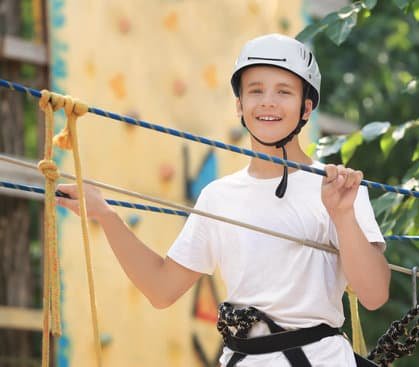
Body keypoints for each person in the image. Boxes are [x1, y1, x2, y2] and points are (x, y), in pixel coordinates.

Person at [56, 33, 391, 367]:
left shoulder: (339, 187)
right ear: (239, 105)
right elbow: (161, 288)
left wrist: (343, 216)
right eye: (255, 90)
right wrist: (104, 213)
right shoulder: (218, 196)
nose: (268, 102)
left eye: (283, 92)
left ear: (306, 108)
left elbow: (374, 295)